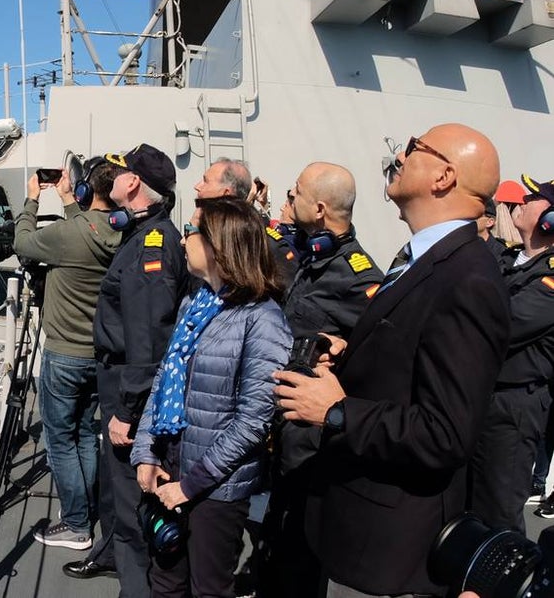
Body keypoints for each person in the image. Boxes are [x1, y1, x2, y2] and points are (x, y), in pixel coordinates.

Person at [274, 123, 510, 598]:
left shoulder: (468, 278)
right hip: (356, 524)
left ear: (443, 176)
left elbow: (446, 432)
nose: (400, 157)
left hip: (388, 552)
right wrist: (351, 354)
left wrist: (337, 411)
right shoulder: (423, 258)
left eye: (413, 148)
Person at [131, 196, 291, 598]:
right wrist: (146, 452)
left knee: (209, 588)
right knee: (164, 581)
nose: (183, 241)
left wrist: (192, 484)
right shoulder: (194, 302)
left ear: (221, 246)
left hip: (215, 487)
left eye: (192, 233)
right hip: (170, 465)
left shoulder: (263, 319)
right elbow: (164, 380)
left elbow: (254, 420)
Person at [63, 144, 189, 596]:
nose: (109, 179)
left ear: (133, 182)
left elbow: (148, 339)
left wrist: (129, 411)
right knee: (121, 499)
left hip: (129, 387)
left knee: (134, 505)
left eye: (117, 172)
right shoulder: (142, 236)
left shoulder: (151, 246)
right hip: (121, 380)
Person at [258, 162, 384, 598]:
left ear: (320, 207)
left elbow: (379, 352)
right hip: (286, 422)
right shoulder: (316, 257)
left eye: (296, 192)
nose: (289, 198)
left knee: (301, 544)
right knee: (278, 531)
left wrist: (342, 357)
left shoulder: (356, 275)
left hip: (310, 435)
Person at [13, 162, 124, 550]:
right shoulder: (122, 232)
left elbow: (23, 242)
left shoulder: (66, 234)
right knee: (84, 434)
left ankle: (77, 524)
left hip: (63, 356)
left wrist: (31, 199)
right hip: (100, 354)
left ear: (83, 192)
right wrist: (67, 201)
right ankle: (85, 509)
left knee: (59, 439)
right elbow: (88, 233)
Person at [471, 173, 554, 529]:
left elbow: (499, 322)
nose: (522, 200)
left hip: (513, 408)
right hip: (483, 397)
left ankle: (504, 583)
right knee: (470, 504)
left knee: (499, 513)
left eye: (533, 197)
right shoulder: (507, 259)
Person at [195, 158, 297, 286]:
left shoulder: (265, 244)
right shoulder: (204, 236)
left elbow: (290, 293)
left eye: (206, 181)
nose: (197, 186)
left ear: (226, 193)